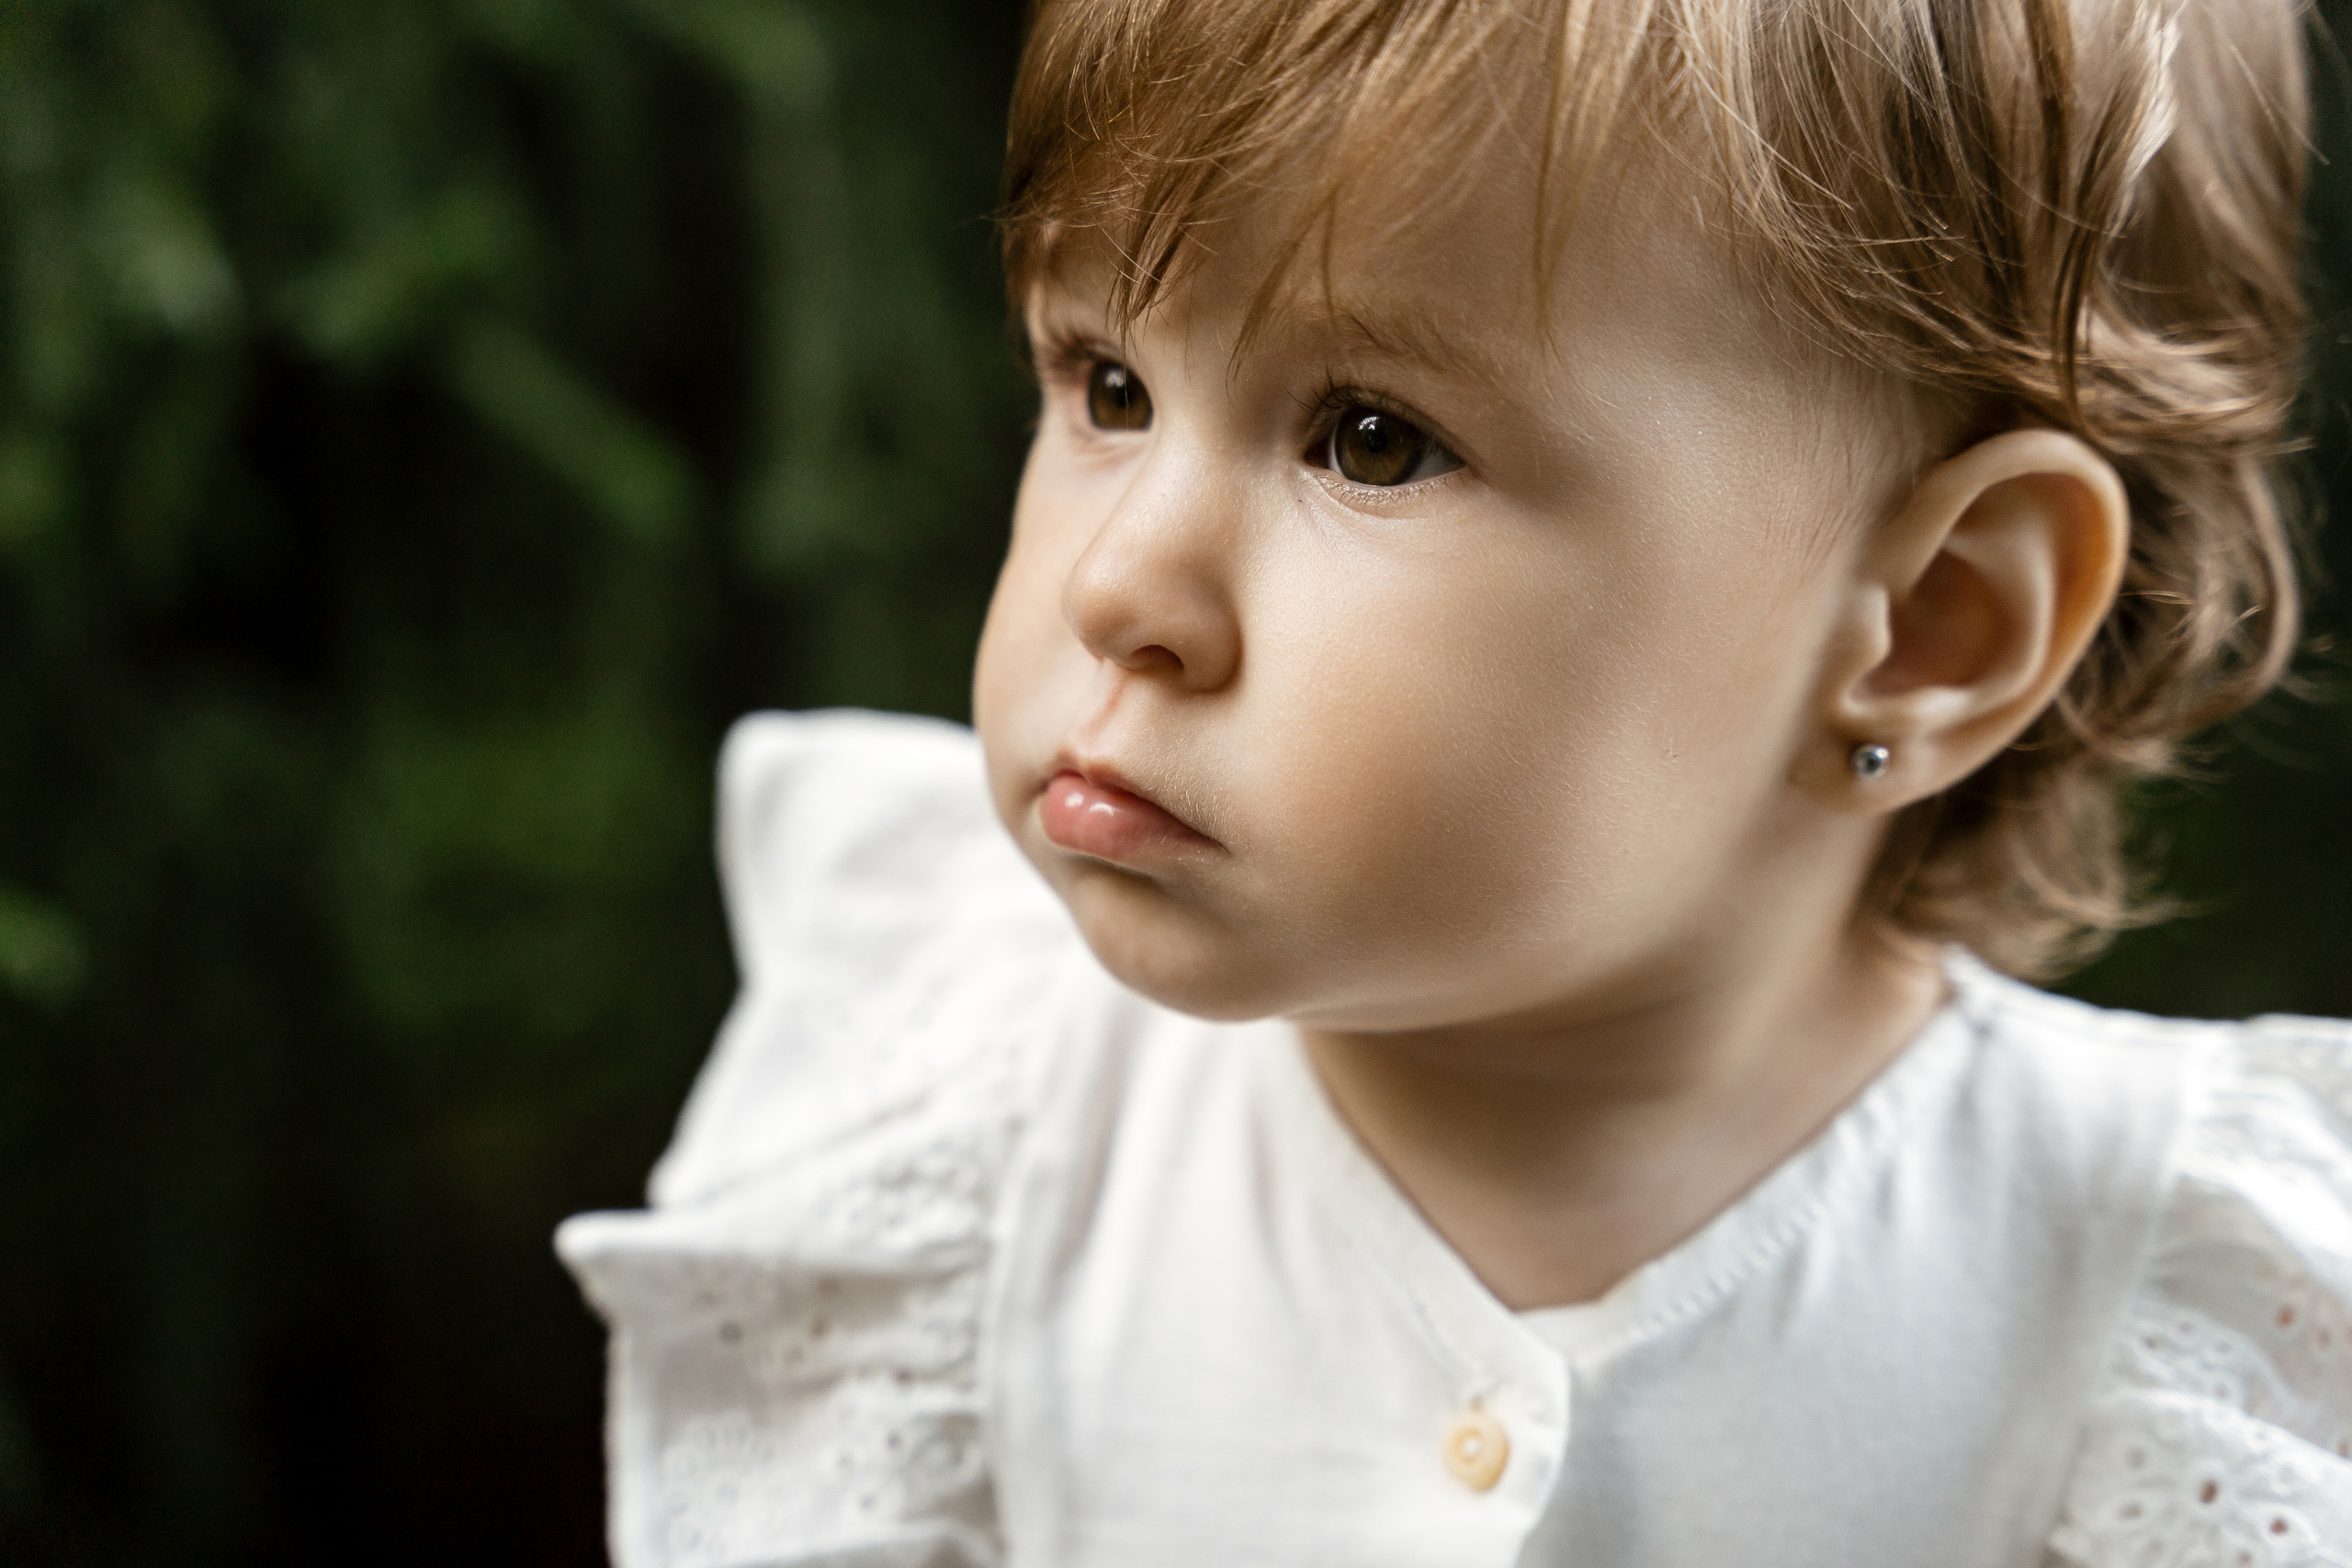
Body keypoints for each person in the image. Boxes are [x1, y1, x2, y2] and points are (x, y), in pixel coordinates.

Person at [556, 0, 2352, 1561]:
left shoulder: (2154, 1310)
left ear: (1929, 623)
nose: (1115, 586)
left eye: (1370, 438)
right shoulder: (966, 1151)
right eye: (1105, 380)